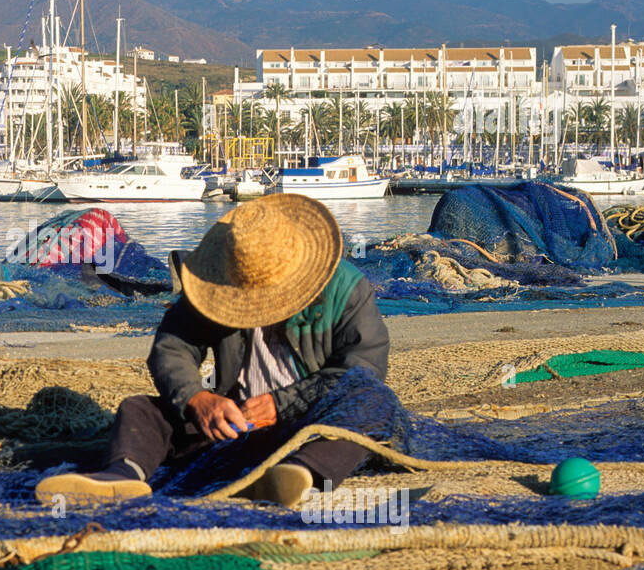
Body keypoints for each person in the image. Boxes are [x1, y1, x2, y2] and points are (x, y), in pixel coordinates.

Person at [36, 193, 389, 507]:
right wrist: (197, 399)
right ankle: (122, 475)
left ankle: (297, 475)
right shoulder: (217, 279)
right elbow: (172, 347)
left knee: (371, 406)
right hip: (235, 424)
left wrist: (282, 405)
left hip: (312, 422)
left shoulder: (347, 290)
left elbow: (362, 372)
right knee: (140, 409)